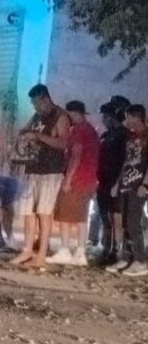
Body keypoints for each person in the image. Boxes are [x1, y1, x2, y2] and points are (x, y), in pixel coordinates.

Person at [11, 84, 70, 269]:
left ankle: (41, 254)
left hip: (50, 171)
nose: (35, 107)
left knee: (44, 213)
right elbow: (26, 130)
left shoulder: (60, 116)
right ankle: (27, 250)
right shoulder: (37, 116)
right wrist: (25, 134)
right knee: (27, 211)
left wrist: (39, 137)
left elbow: (63, 144)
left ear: (45, 99)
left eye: (37, 103)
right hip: (32, 168)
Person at [48, 101, 99, 266]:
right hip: (88, 179)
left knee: (64, 216)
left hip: (77, 179)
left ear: (74, 113)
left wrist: (68, 179)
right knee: (81, 218)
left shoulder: (79, 130)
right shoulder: (91, 130)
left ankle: (64, 250)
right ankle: (80, 252)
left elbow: (76, 156)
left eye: (69, 115)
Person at [107, 104, 148, 277]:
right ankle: (126, 257)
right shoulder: (131, 137)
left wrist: (145, 184)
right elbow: (127, 161)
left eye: (128, 117)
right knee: (123, 222)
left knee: (134, 221)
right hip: (125, 183)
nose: (126, 121)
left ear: (136, 117)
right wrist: (118, 182)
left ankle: (141, 260)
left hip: (138, 185)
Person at [93, 102, 128, 265]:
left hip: (116, 183)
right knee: (105, 217)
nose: (104, 120)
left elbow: (125, 161)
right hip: (103, 182)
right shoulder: (105, 136)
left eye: (106, 117)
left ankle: (116, 250)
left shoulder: (124, 135)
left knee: (116, 217)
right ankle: (106, 247)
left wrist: (118, 183)